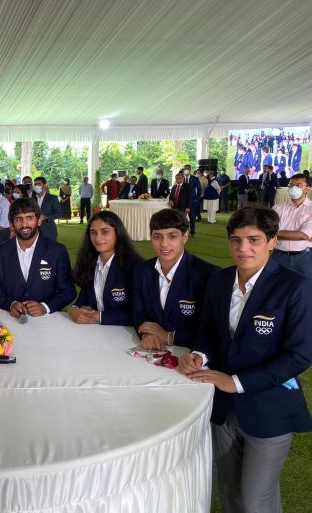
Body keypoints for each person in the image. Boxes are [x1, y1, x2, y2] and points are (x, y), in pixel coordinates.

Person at [179, 207, 312, 513]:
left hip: (269, 408)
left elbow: (300, 354)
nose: (243, 248)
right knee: (229, 491)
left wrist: (236, 382)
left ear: (273, 241)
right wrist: (198, 355)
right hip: (223, 410)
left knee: (256, 500)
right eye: (236, 240)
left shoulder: (295, 286)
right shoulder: (219, 280)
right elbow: (208, 331)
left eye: (254, 239)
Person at [133, 208, 218, 350]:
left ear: (185, 237)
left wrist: (169, 336)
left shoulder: (207, 275)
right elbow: (138, 312)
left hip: (190, 355)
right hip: (150, 351)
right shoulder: (142, 270)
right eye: (157, 237)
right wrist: (147, 333)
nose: (164, 244)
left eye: (172, 236)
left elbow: (211, 329)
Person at [0, 198, 76, 317]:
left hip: (47, 321)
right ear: (11, 224)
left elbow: (68, 291)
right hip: (11, 321)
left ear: (39, 220)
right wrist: (10, 304)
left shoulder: (57, 251)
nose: (24, 224)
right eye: (19, 219)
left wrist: (45, 307)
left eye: (29, 218)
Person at [69, 211, 143, 326]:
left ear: (117, 233)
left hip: (123, 335)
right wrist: (73, 310)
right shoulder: (89, 262)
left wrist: (100, 317)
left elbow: (140, 314)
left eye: (105, 232)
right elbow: (82, 301)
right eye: (93, 233)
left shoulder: (135, 267)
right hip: (93, 332)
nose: (98, 238)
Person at [271, 174, 312, 279]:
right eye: (291, 185)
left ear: (308, 189)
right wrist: (300, 235)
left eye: (299, 185)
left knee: (305, 290)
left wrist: (276, 234)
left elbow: (303, 235)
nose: (294, 188)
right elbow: (268, 231)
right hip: (278, 256)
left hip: (304, 258)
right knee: (276, 290)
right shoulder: (277, 208)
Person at [33, 176, 61, 240]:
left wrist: (45, 217)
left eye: (39, 184)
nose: (37, 186)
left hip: (49, 231)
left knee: (51, 249)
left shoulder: (53, 198)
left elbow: (59, 214)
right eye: (35, 184)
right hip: (34, 232)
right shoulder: (32, 199)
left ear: (44, 185)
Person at [188, 168, 202, 235]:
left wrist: (197, 198)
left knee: (192, 216)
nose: (186, 170)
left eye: (187, 169)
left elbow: (199, 189)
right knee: (181, 216)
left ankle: (192, 231)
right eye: (185, 169)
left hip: (192, 200)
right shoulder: (181, 177)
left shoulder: (195, 178)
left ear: (190, 170)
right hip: (182, 200)